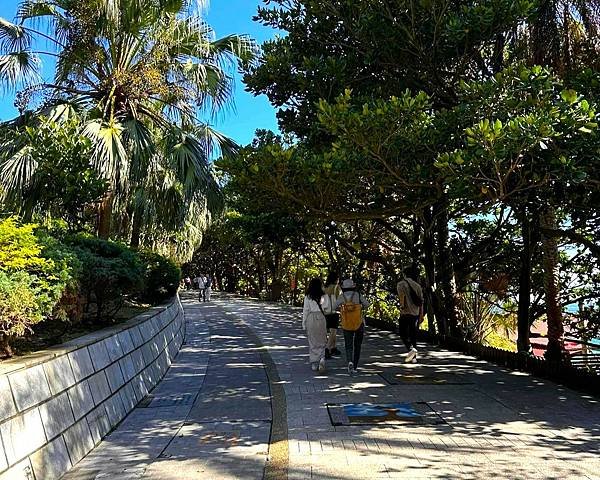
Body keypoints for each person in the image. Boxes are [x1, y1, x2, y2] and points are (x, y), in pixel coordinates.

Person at [336, 279, 369, 375]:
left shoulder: (342, 296)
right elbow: (367, 304)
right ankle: (355, 366)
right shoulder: (358, 295)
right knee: (357, 345)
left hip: (346, 323)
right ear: (353, 286)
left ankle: (349, 361)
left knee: (348, 345)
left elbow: (334, 306)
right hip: (358, 323)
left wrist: (342, 308)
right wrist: (360, 307)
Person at [396, 268, 424, 363]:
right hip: (415, 313)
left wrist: (402, 306)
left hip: (405, 313)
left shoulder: (400, 284)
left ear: (405, 275)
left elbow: (401, 298)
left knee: (402, 333)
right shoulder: (418, 286)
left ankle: (410, 348)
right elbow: (421, 302)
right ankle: (414, 357)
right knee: (413, 335)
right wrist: (421, 314)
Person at [302, 278, 328, 372]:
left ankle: (314, 363)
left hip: (311, 317)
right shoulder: (324, 296)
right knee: (322, 339)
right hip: (321, 317)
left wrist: (304, 323)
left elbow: (306, 310)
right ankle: (322, 358)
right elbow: (326, 307)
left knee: (312, 340)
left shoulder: (308, 296)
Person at [322, 272, 342, 359]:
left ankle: (333, 348)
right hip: (334, 312)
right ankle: (327, 349)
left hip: (325, 311)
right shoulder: (336, 287)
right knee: (333, 331)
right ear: (335, 279)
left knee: (329, 331)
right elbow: (339, 299)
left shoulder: (324, 287)